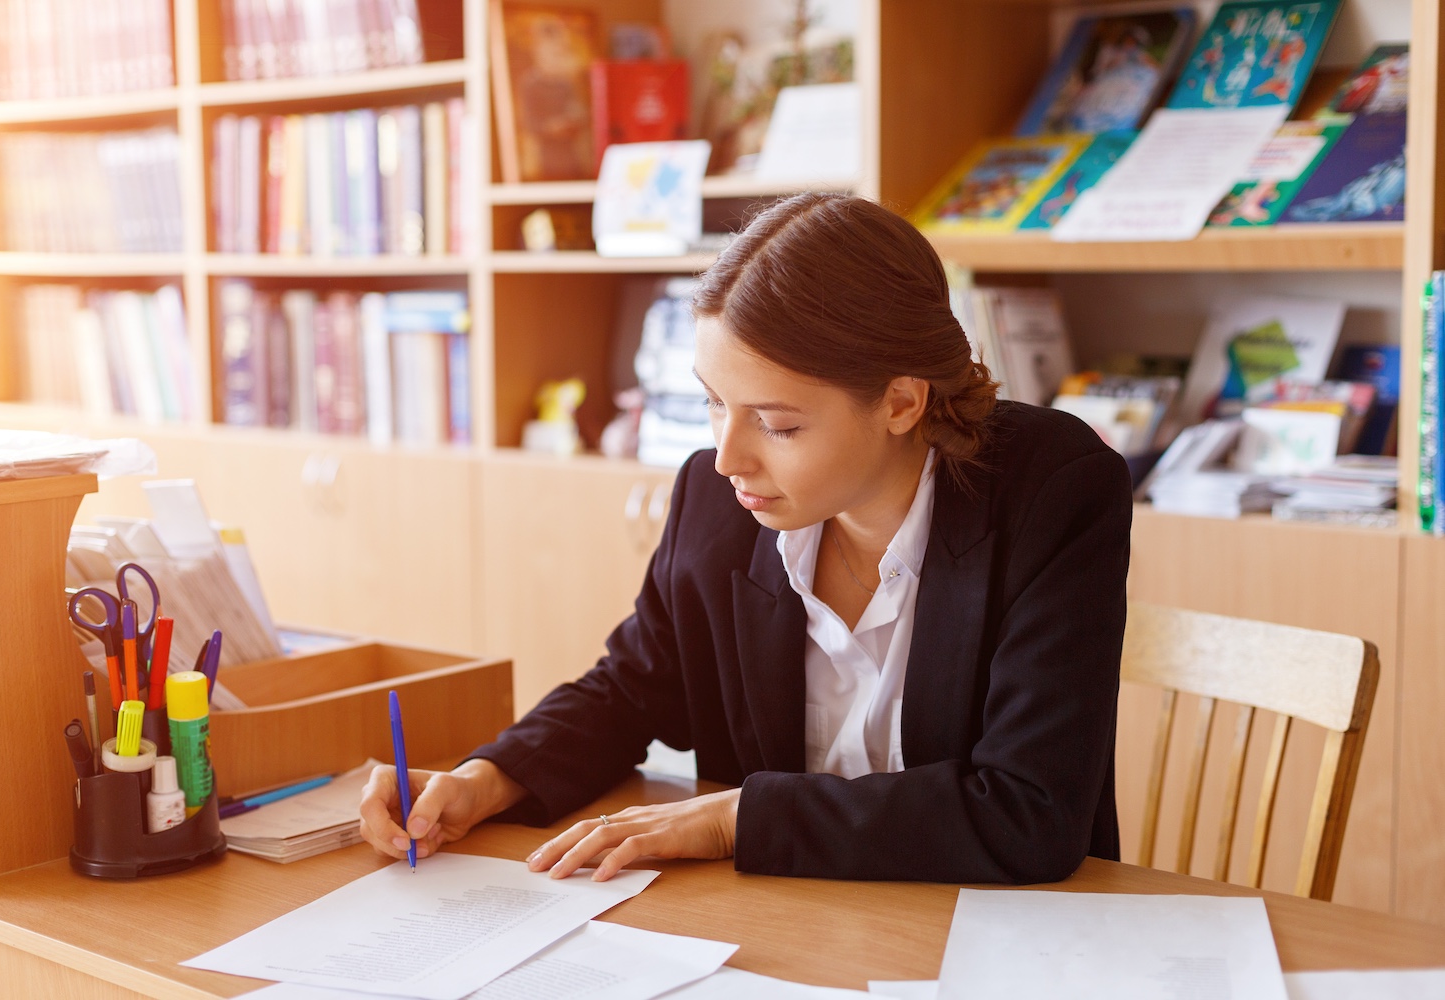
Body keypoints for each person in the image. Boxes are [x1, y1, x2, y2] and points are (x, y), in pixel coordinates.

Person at [359, 193, 1132, 884]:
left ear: (901, 402)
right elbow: (633, 689)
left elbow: (1030, 812)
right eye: (712, 402)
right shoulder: (717, 496)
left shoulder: (1054, 491)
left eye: (778, 422)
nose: (728, 457)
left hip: (995, 938)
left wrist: (735, 819)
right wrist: (484, 777)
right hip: (781, 931)